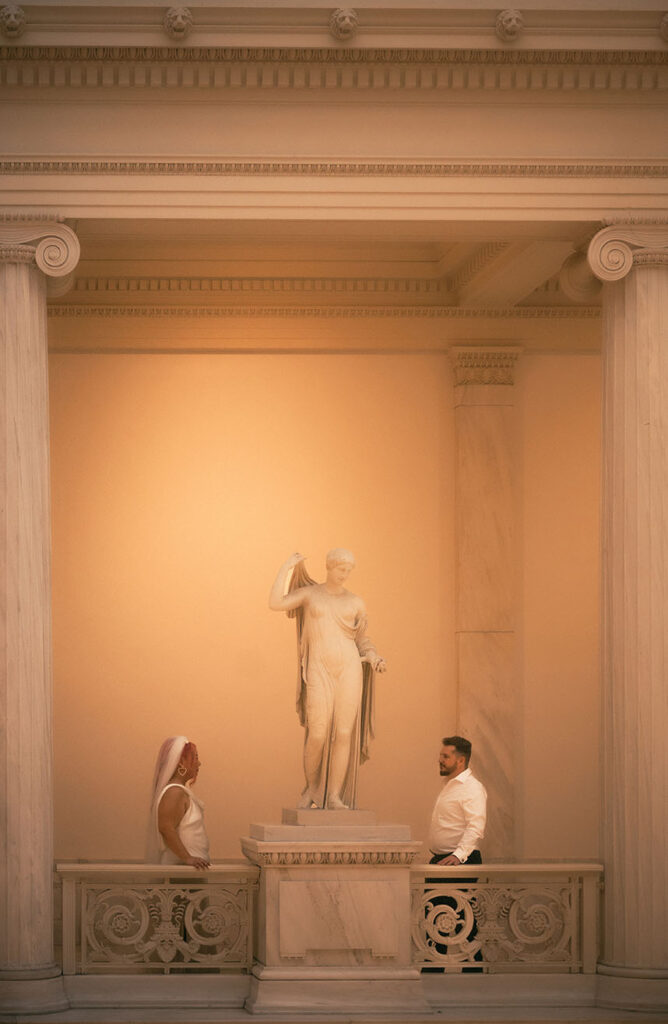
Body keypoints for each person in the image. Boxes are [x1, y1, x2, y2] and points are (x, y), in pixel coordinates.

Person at [269, 549, 386, 810]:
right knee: (318, 733)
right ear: (329, 567)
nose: (344, 575)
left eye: (348, 570)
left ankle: (333, 795)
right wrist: (286, 567)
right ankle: (312, 788)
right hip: (319, 669)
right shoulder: (311, 595)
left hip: (350, 669)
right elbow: (275, 602)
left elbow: (361, 639)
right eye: (340, 569)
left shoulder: (355, 602)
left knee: (343, 733)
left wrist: (373, 655)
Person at [426, 734, 487, 969]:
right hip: (442, 860)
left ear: (460, 761)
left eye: (445, 756)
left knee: (462, 919)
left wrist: (457, 857)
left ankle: (472, 968)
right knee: (436, 917)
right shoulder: (451, 786)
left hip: (459, 861)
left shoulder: (472, 788)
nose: (439, 759)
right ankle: (433, 966)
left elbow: (475, 827)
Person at [145, 735, 210, 869]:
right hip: (181, 873)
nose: (199, 763)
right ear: (181, 762)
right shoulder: (174, 792)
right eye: (195, 758)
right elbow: (165, 827)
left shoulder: (180, 791)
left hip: (190, 872)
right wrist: (188, 858)